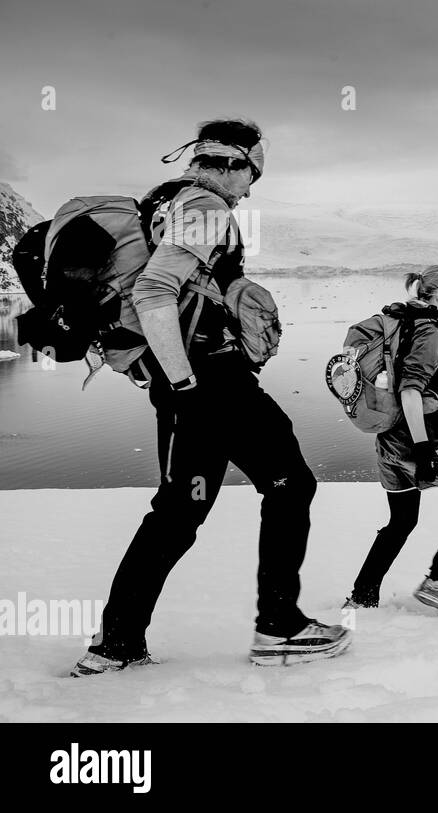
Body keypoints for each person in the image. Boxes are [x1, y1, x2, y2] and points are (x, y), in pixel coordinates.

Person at [72, 119, 351, 676]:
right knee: (289, 486)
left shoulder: (166, 201)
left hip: (191, 386)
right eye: (252, 174)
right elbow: (155, 290)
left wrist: (167, 377)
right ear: (240, 162)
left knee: (180, 513)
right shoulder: (204, 207)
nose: (250, 189)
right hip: (211, 384)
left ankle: (117, 645)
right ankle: (279, 628)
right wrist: (184, 383)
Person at [345, 265, 438, 613]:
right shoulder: (429, 332)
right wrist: (425, 449)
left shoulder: (398, 317)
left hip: (388, 439)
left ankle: (363, 596)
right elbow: (411, 391)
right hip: (420, 440)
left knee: (401, 521)